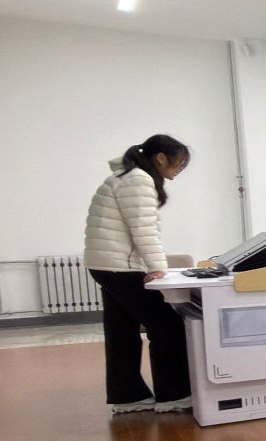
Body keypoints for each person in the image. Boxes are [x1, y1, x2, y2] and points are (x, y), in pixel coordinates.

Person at [83, 134, 193, 414]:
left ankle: (127, 396)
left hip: (105, 265)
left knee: (121, 330)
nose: (179, 171)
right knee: (168, 326)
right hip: (120, 267)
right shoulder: (139, 180)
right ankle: (174, 395)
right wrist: (157, 269)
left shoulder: (124, 176)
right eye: (179, 163)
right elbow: (144, 230)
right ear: (160, 158)